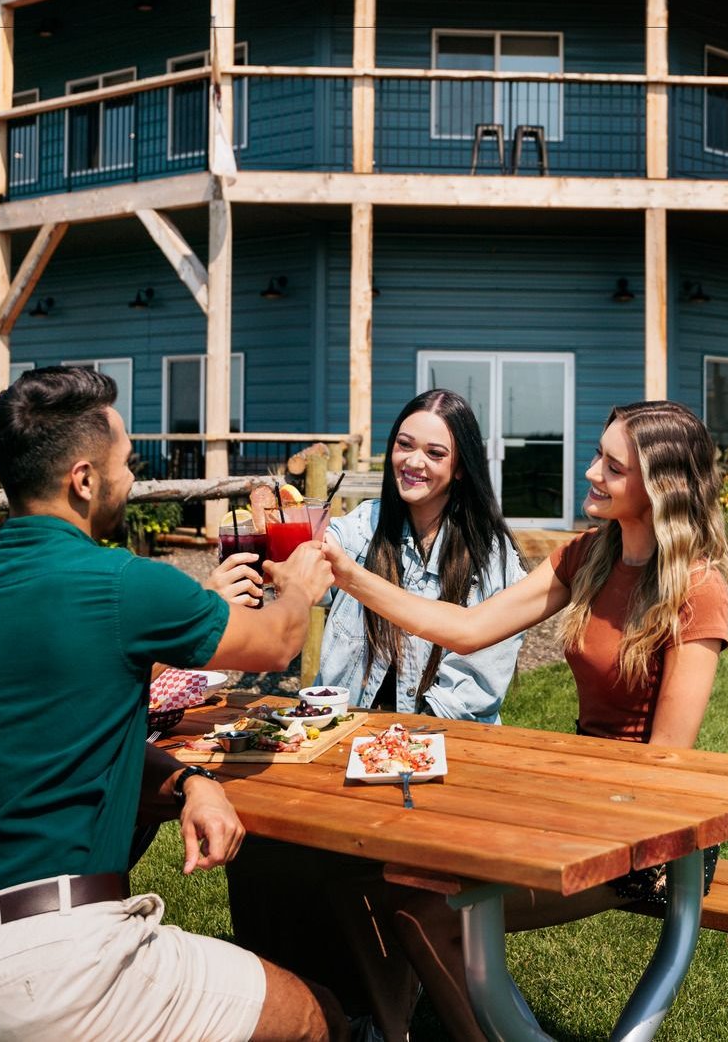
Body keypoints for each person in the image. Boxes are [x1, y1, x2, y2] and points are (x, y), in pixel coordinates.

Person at [0, 367, 344, 1042]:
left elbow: (62, 729)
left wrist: (191, 780)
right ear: (82, 479)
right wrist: (301, 583)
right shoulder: (122, 582)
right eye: (126, 463)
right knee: (313, 1016)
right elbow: (277, 644)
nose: (132, 478)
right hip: (46, 974)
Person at [320, 400, 728, 1041]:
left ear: (659, 487)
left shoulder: (696, 589)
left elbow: (667, 762)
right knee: (366, 881)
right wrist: (352, 576)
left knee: (427, 907)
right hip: (581, 798)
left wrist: (559, 812)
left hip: (648, 834)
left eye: (612, 466)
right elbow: (466, 630)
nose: (591, 471)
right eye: (598, 455)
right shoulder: (590, 555)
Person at [222, 390, 524, 1037]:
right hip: (339, 741)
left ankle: (364, 1010)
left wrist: (384, 744)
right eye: (404, 446)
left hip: (439, 758)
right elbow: (305, 548)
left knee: (352, 859)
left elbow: (472, 696)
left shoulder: (492, 558)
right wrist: (273, 522)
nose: (412, 461)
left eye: (433, 451)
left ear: (461, 467)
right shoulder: (363, 529)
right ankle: (292, 991)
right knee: (258, 840)